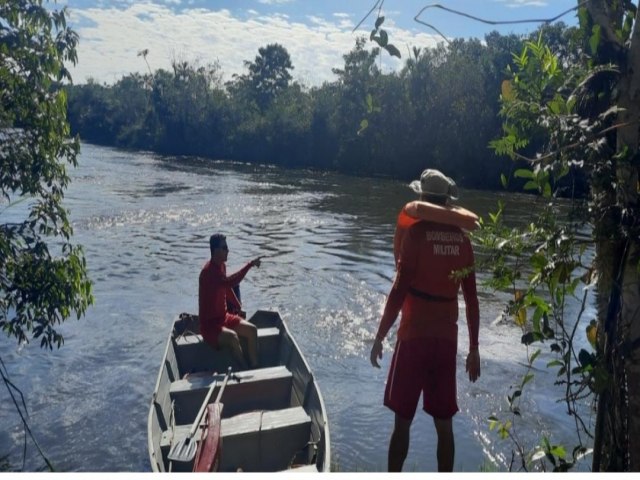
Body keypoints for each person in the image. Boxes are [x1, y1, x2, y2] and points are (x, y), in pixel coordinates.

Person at [370, 169, 481, 472]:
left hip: (413, 337)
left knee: (402, 424)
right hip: (446, 340)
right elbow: (472, 299)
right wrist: (474, 348)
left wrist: (380, 336)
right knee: (444, 427)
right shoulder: (462, 241)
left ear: (421, 198)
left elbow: (398, 290)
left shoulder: (415, 235)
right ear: (447, 202)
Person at [199, 233, 262, 369]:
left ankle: (255, 369)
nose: (228, 250)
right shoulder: (208, 272)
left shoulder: (222, 266)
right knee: (233, 337)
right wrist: (249, 265)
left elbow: (226, 289)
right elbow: (231, 282)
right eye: (224, 247)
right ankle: (244, 372)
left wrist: (238, 307)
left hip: (224, 317)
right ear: (215, 250)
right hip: (210, 326)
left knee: (252, 330)